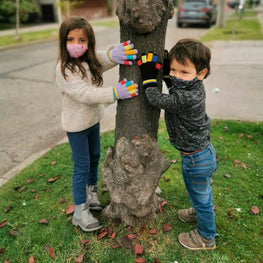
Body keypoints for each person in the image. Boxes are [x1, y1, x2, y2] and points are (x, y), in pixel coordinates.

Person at [56, 16, 138, 232]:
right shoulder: (64, 69)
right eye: (71, 39)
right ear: (63, 42)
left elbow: (99, 59)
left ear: (89, 42)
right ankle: (80, 211)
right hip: (76, 128)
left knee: (94, 158)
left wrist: (113, 55)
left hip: (92, 122)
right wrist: (114, 93)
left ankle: (91, 194)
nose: (76, 45)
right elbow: (83, 93)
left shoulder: (87, 60)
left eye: (82, 40)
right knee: (81, 166)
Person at [137, 38, 217, 250]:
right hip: (200, 155)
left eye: (184, 72)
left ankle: (206, 237)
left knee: (202, 198)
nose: (176, 76)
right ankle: (197, 211)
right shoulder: (193, 87)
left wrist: (148, 76)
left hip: (196, 159)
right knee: (199, 193)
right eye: (173, 69)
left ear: (201, 74)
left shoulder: (187, 97)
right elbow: (176, 87)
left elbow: (156, 99)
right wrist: (167, 74)